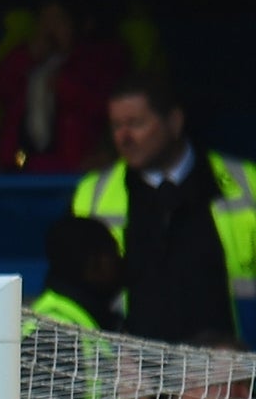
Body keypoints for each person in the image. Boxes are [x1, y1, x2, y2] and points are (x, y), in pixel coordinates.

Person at [72, 74, 256, 344]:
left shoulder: (247, 182)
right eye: (116, 126)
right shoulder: (92, 193)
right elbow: (75, 292)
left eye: (135, 123)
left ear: (174, 122)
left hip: (230, 374)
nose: (124, 137)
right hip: (134, 377)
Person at [0, 0, 128, 174]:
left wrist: (64, 87)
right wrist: (27, 56)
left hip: (76, 169)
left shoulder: (100, 59)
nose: (49, 29)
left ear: (82, 25)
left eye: (58, 20)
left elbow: (108, 106)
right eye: (44, 20)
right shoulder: (25, 59)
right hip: (22, 167)